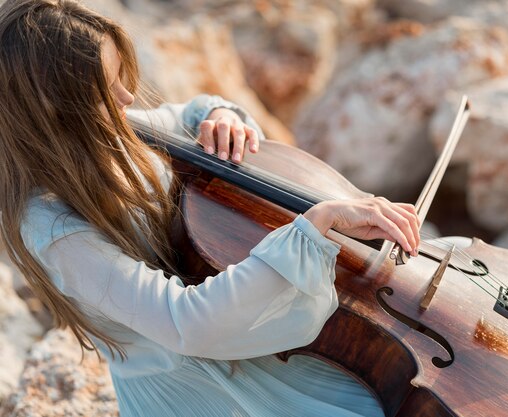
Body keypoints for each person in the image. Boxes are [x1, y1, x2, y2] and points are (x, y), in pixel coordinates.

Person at [0, 1, 420, 416]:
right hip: (205, 388)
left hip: (246, 350)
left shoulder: (115, 135)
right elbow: (187, 322)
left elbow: (194, 111)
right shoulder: (52, 228)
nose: (128, 98)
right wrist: (316, 224)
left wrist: (222, 118)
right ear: (54, 110)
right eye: (105, 90)